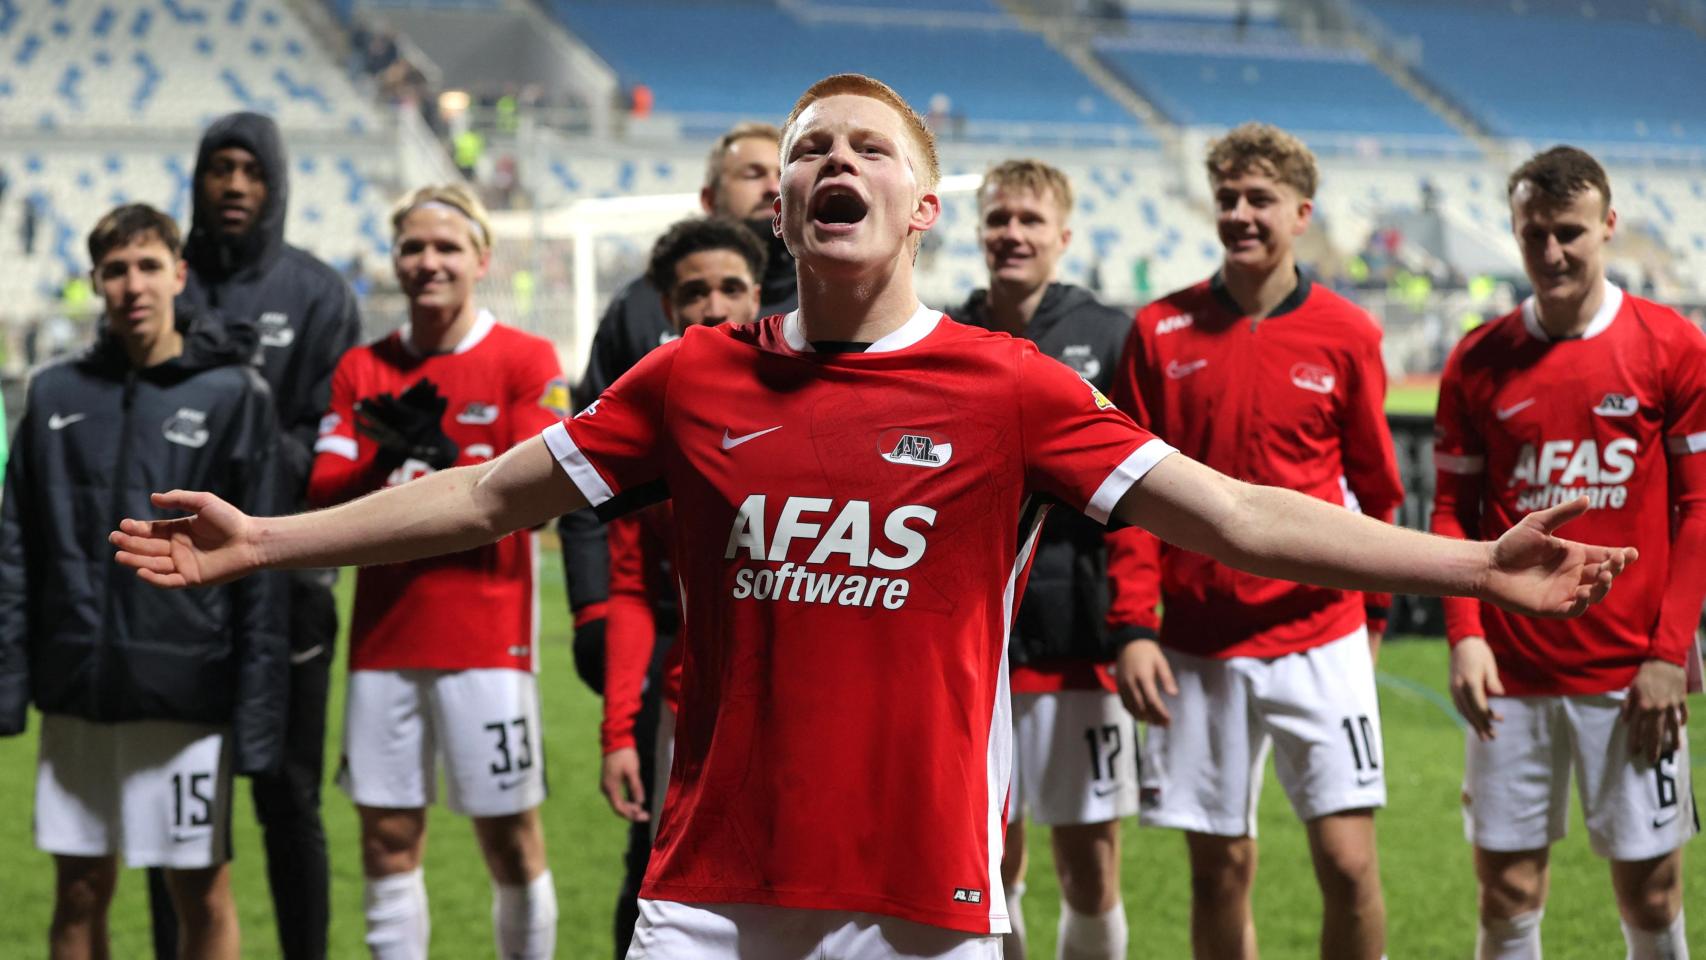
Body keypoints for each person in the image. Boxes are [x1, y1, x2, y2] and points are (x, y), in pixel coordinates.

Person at [112, 74, 1635, 960]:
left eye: (867, 148)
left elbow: (1233, 513)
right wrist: (265, 538)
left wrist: (1472, 562)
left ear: (918, 211)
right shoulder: (690, 376)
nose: (833, 161)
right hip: (708, 892)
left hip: (920, 895)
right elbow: (488, 492)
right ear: (781, 211)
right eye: (808, 151)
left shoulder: (1011, 385)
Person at [1112, 122, 1406, 960]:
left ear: (1301, 213)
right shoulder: (1159, 329)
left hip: (1321, 633)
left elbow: (1377, 489)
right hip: (1197, 642)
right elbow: (1129, 493)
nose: (1241, 215)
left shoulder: (1349, 333)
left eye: (1260, 200)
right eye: (1228, 199)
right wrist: (1134, 626)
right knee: (1219, 871)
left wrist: (1374, 615)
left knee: (1349, 866)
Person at [1431, 146, 1701, 960]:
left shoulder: (1671, 346)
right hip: (1511, 671)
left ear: (1609, 226)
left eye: (1570, 232)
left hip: (1631, 673)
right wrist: (1465, 635)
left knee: (1651, 892)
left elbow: (1698, 509)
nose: (1551, 253)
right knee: (1508, 891)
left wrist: (1667, 656)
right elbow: (1451, 510)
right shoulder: (1477, 359)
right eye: (1533, 233)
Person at [1, 203, 286, 960]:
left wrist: (259, 713)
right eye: (116, 268)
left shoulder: (234, 396)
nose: (134, 284)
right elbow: (14, 546)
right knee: (79, 891)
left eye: (149, 265)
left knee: (200, 893)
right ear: (95, 280)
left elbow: (261, 567)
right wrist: (10, 680)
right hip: (78, 693)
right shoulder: (53, 394)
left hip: (186, 693)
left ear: (179, 275)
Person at [307, 183, 564, 960]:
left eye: (447, 247)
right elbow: (322, 495)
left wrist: (443, 460)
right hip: (384, 639)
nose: (428, 263)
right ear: (394, 260)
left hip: (488, 641)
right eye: (413, 248)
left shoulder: (527, 360)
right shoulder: (362, 368)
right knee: (387, 840)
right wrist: (390, 454)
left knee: (511, 842)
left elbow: (538, 497)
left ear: (481, 260)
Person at [562, 120, 802, 952]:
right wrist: (595, 623)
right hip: (680, 658)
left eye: (731, 288)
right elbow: (585, 498)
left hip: (801, 670)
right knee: (663, 872)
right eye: (749, 174)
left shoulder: (827, 329)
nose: (713, 306)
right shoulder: (643, 352)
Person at [160, 110, 361, 960]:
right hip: (176, 592)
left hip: (289, 590)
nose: (234, 185)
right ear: (199, 179)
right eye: (220, 168)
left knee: (287, 800)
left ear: (275, 185)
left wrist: (238, 401)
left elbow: (328, 448)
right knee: (176, 809)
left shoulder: (318, 293)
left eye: (251, 170)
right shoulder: (164, 281)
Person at [952, 159, 1138, 960]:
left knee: (1090, 864)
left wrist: (1132, 622)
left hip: (1076, 642)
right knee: (986, 859)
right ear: (978, 232)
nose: (1012, 235)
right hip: (974, 643)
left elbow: (1143, 492)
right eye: (998, 220)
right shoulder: (947, 337)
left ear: (1063, 237)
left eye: (1029, 221)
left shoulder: (1111, 336)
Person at [564, 120, 800, 697]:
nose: (771, 187)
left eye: (780, 174)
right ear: (707, 197)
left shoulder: (826, 304)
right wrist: (593, 603)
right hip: (660, 612)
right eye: (751, 174)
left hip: (787, 608)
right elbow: (582, 459)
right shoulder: (640, 308)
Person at [597, 216, 768, 957]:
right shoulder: (651, 422)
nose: (713, 305)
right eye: (693, 292)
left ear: (760, 296)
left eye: (731, 287)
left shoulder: (815, 395)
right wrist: (616, 731)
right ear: (667, 309)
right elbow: (632, 587)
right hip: (691, 707)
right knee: (690, 910)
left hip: (811, 713)